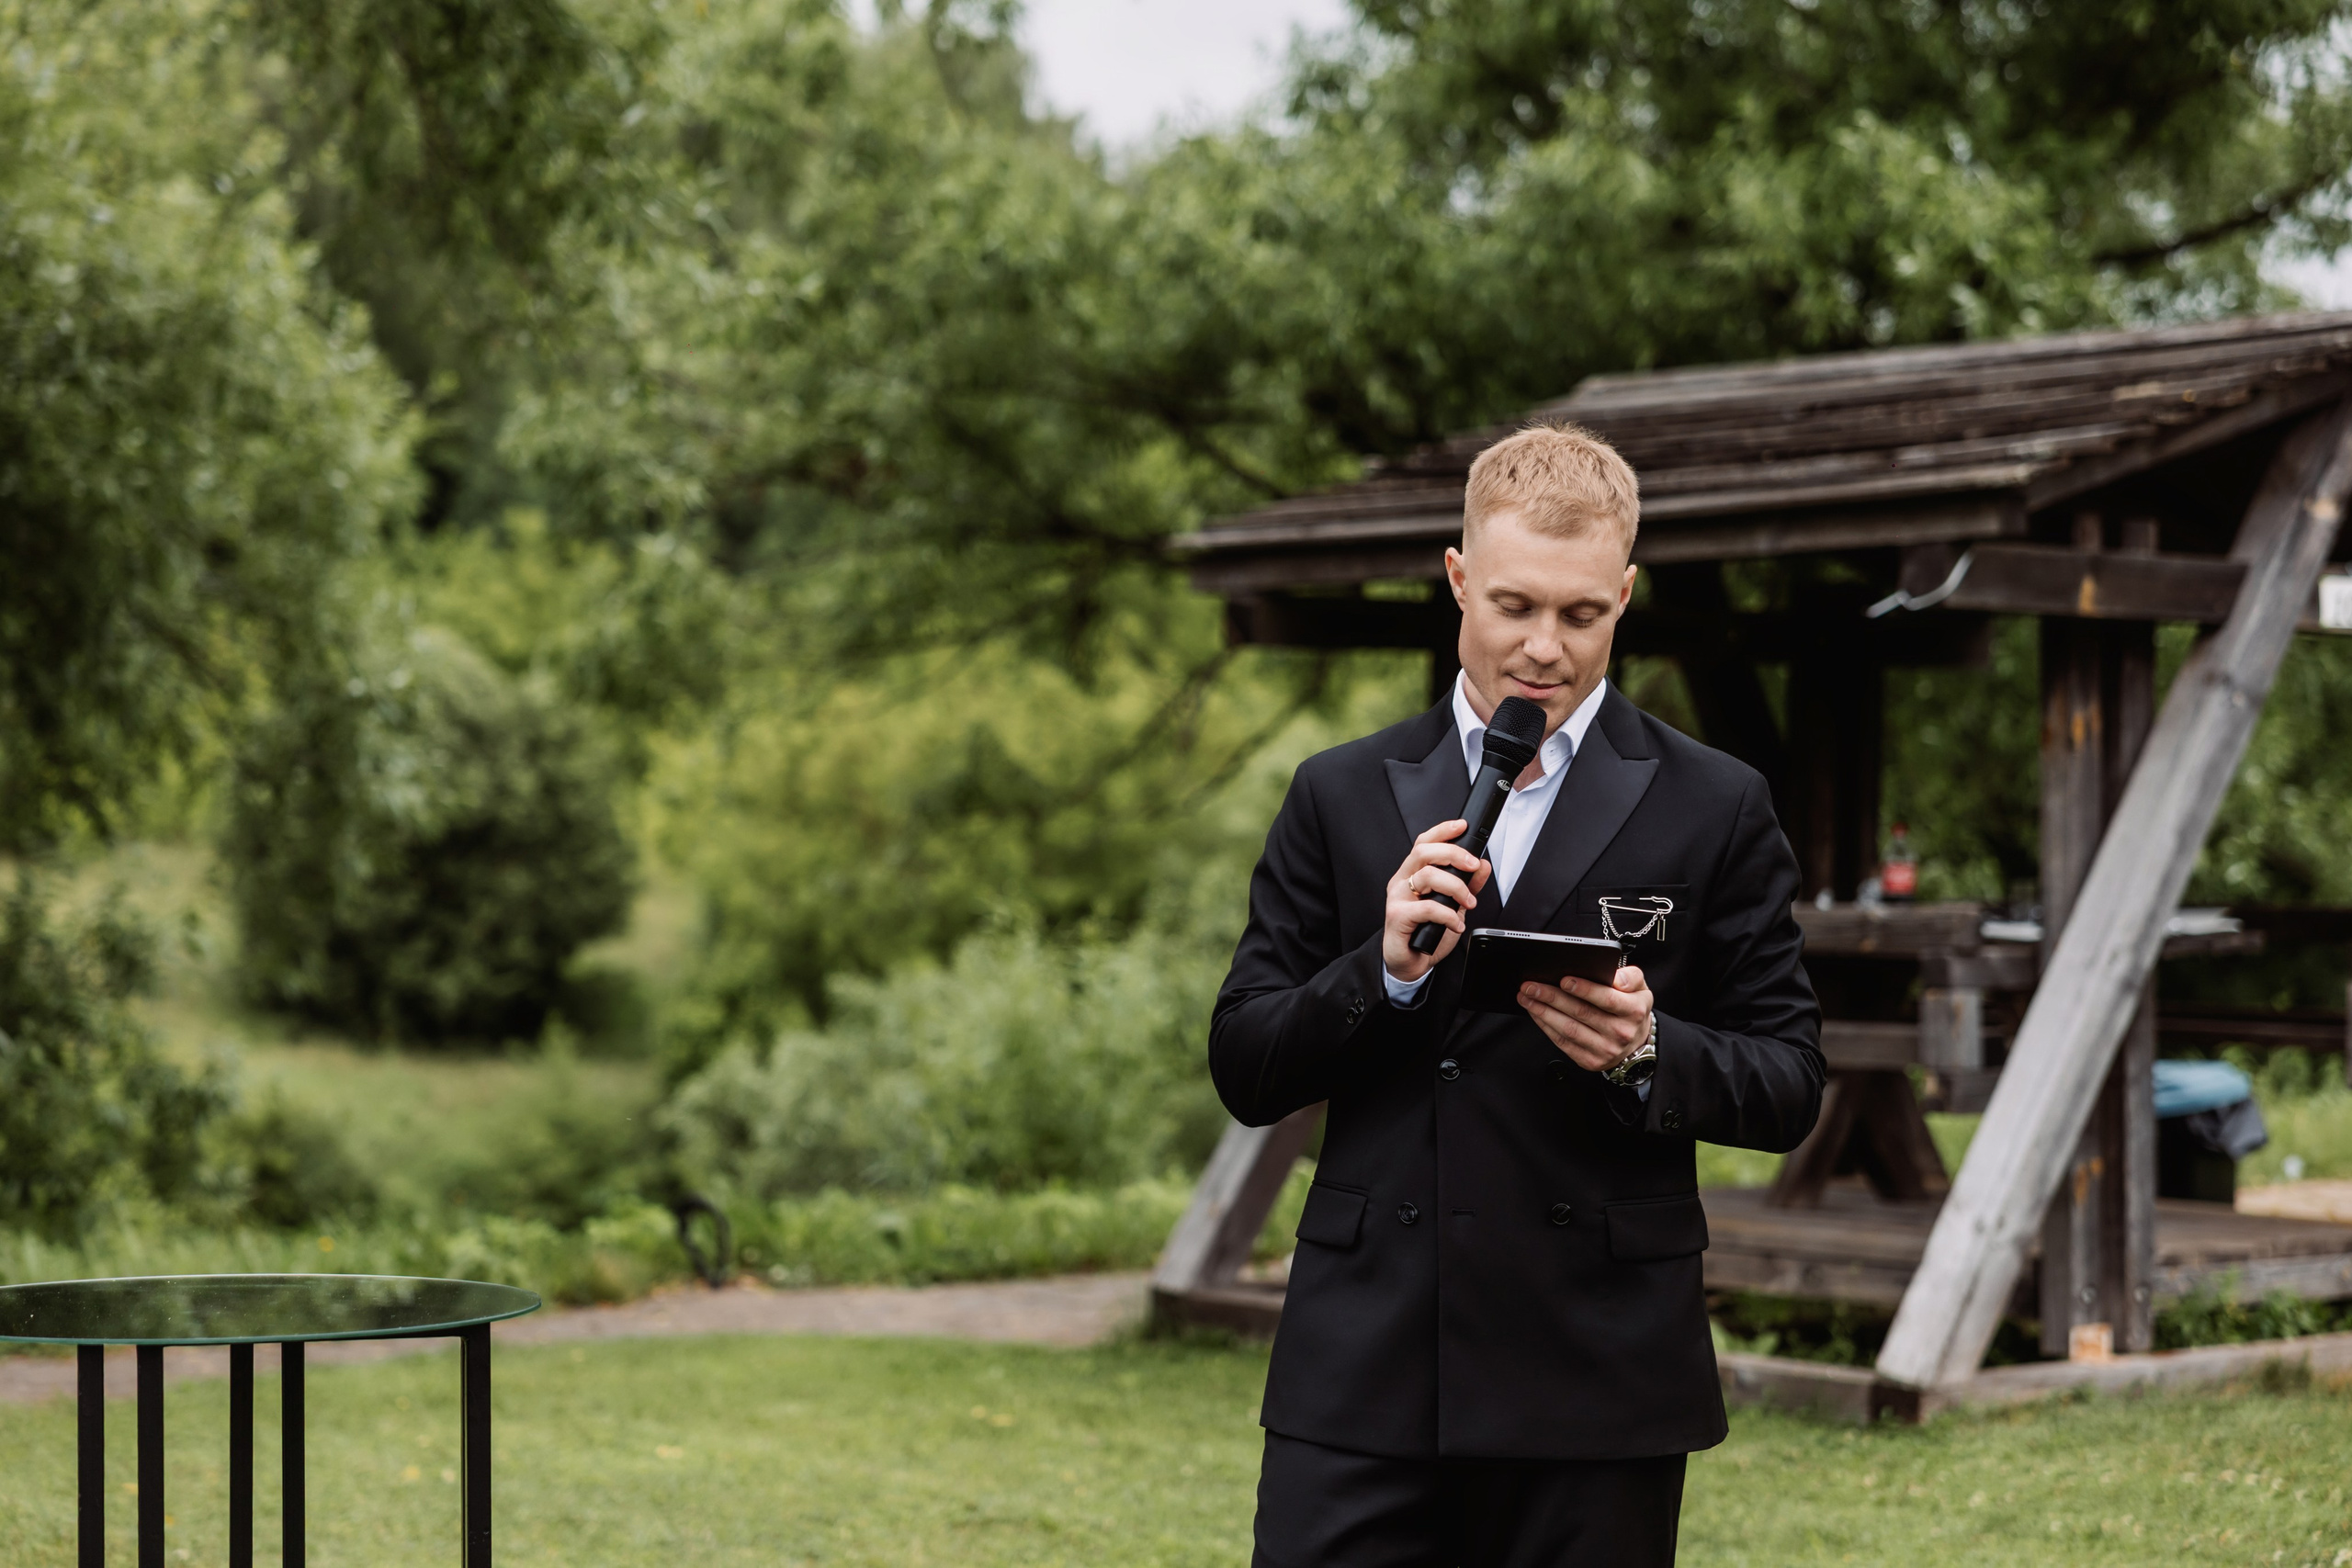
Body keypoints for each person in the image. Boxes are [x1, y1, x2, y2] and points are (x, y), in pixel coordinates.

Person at [1210, 423, 1823, 1567]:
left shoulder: (1716, 802)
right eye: (1513, 606)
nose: (1543, 649)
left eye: (1581, 615)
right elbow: (1244, 1064)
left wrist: (1646, 1052)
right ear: (1456, 579)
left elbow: (1790, 1080)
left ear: (1625, 597)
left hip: (1596, 1374)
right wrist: (1378, 974)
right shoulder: (1337, 794)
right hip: (1366, 1373)